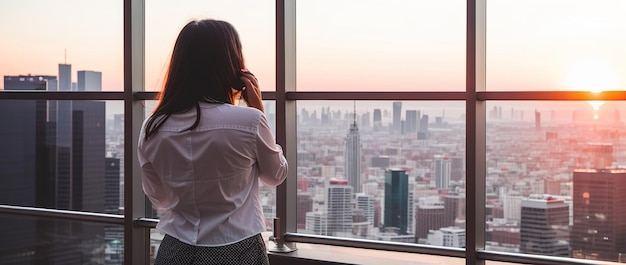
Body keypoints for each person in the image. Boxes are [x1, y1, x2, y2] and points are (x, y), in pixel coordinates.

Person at [137, 19, 288, 265]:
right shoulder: (249, 121)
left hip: (175, 250)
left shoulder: (152, 127)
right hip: (237, 250)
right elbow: (275, 175)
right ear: (232, 66)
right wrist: (258, 108)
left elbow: (160, 198)